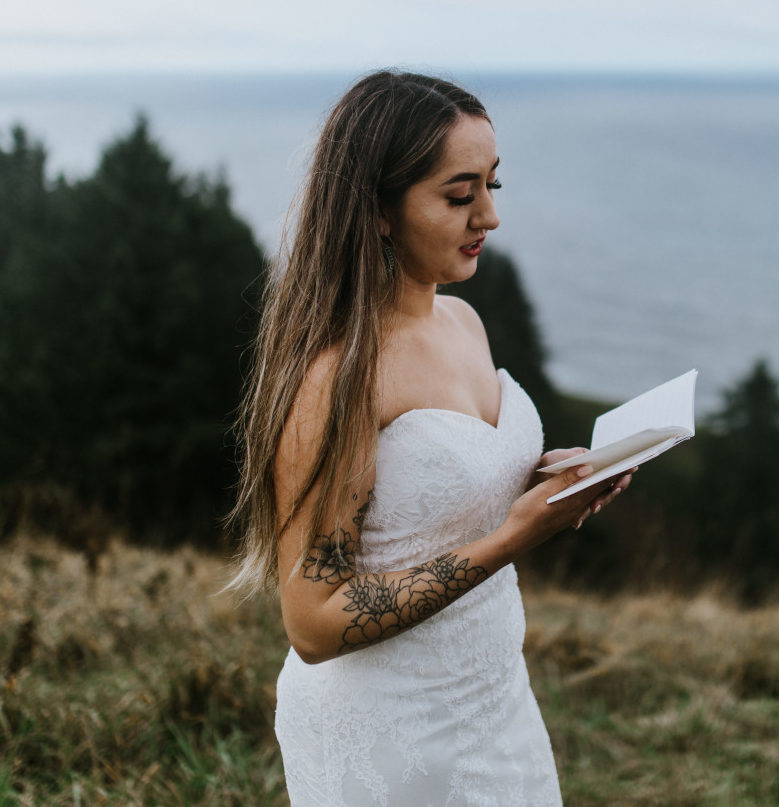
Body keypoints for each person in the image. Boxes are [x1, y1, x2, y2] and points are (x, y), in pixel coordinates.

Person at [224, 71, 629, 806]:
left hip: (495, 696)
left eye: (493, 186)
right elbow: (312, 620)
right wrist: (513, 538)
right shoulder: (339, 376)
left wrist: (551, 482)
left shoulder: (464, 322)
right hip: (388, 733)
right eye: (458, 194)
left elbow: (448, 487)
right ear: (378, 208)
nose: (490, 217)